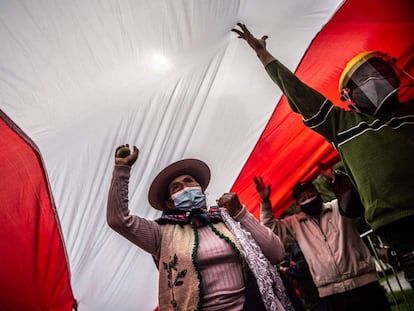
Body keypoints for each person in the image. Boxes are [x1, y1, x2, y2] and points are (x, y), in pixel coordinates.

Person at [232, 23, 414, 289]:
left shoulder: (410, 112)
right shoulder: (343, 123)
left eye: (379, 73)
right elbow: (300, 94)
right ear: (349, 96)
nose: (373, 81)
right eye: (363, 80)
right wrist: (264, 56)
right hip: (399, 229)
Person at [107, 145, 293, 311]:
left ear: (201, 190)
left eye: (189, 181)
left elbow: (276, 254)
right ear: (170, 203)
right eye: (176, 187)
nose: (185, 188)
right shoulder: (161, 233)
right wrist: (122, 169)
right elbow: (118, 219)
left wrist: (240, 213)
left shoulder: (227, 220)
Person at [254, 176, 391, 311]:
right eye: (303, 199)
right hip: (332, 294)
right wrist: (265, 201)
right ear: (298, 205)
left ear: (319, 194)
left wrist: (334, 178)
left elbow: (353, 198)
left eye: (311, 195)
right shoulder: (295, 224)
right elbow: (269, 229)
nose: (308, 199)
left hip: (365, 283)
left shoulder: (338, 207)